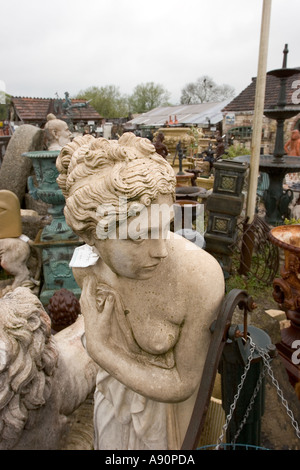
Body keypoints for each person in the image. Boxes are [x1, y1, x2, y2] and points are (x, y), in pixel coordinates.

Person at [56, 132, 224, 450]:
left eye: (165, 226)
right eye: (139, 236)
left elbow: (183, 383)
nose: (161, 249)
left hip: (169, 427)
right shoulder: (87, 270)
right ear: (93, 237)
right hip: (112, 407)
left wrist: (100, 350)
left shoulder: (198, 279)